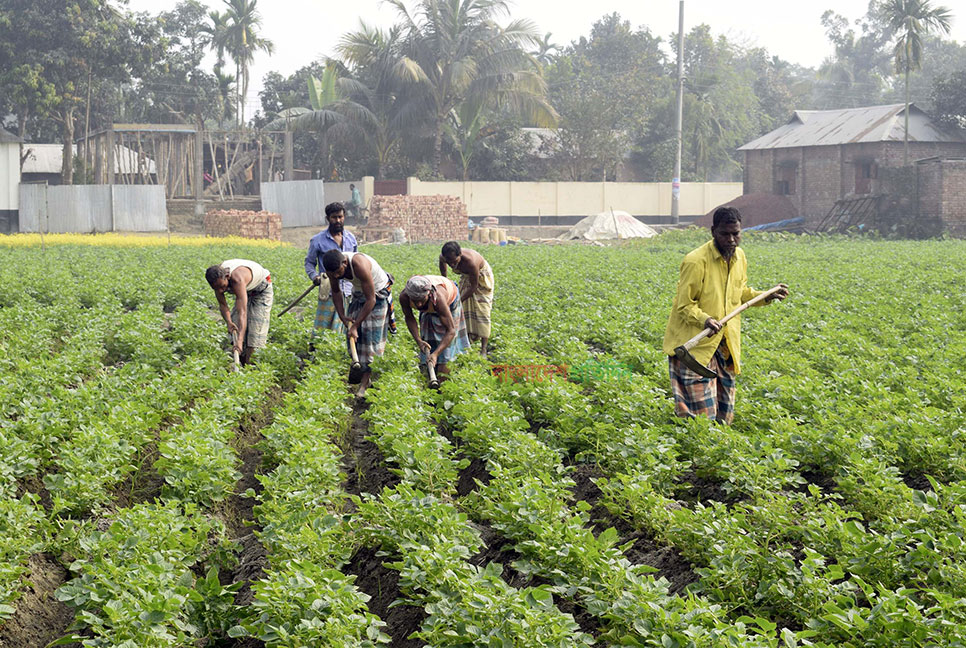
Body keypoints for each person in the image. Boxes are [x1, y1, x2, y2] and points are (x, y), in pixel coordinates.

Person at [662, 206, 788, 424]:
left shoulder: (739, 257)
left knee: (724, 413)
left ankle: (718, 449)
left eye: (736, 234)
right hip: (695, 346)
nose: (731, 240)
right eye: (725, 234)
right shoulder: (695, 261)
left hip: (725, 343)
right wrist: (705, 320)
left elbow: (740, 294)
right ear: (713, 232)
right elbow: (684, 305)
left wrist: (767, 295)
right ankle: (695, 454)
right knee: (699, 418)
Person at [322, 249, 393, 397]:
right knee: (354, 337)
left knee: (370, 338)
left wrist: (355, 326)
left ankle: (365, 382)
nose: (335, 276)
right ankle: (362, 374)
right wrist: (343, 316)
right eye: (332, 274)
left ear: (345, 263)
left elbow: (371, 299)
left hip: (378, 294)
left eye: (338, 272)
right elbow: (336, 292)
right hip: (359, 293)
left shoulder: (359, 264)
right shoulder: (333, 269)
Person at [399, 275, 470, 380]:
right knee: (428, 337)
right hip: (431, 305)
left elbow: (451, 330)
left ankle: (443, 377)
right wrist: (419, 341)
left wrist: (436, 354)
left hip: (450, 300)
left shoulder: (440, 298)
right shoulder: (404, 297)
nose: (418, 304)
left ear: (428, 293)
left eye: (421, 299)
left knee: (446, 350)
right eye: (415, 300)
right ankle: (429, 371)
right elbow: (409, 318)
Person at [206, 259, 274, 366]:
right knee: (235, 327)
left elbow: (242, 311)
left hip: (261, 289)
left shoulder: (237, 279)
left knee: (255, 333)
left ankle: (250, 367)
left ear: (227, 277)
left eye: (222, 287)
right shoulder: (216, 279)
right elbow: (223, 305)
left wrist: (240, 340)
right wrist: (229, 322)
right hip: (245, 290)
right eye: (216, 288)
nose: (220, 291)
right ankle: (239, 362)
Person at [305, 202, 358, 339]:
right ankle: (315, 353)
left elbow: (355, 262)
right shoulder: (317, 240)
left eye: (340, 217)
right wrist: (314, 276)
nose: (338, 220)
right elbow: (309, 263)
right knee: (322, 328)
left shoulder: (351, 239)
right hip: (328, 289)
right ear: (328, 218)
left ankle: (342, 353)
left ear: (344, 216)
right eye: (334, 217)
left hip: (348, 291)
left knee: (345, 325)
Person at [439, 241, 494, 356]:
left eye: (454, 261)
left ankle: (483, 349)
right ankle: (466, 343)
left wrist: (457, 300)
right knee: (463, 311)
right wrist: (445, 282)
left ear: (460, 255)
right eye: (449, 262)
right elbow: (443, 269)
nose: (452, 265)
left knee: (482, 310)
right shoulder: (444, 257)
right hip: (467, 277)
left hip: (481, 278)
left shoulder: (471, 263)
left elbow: (474, 286)